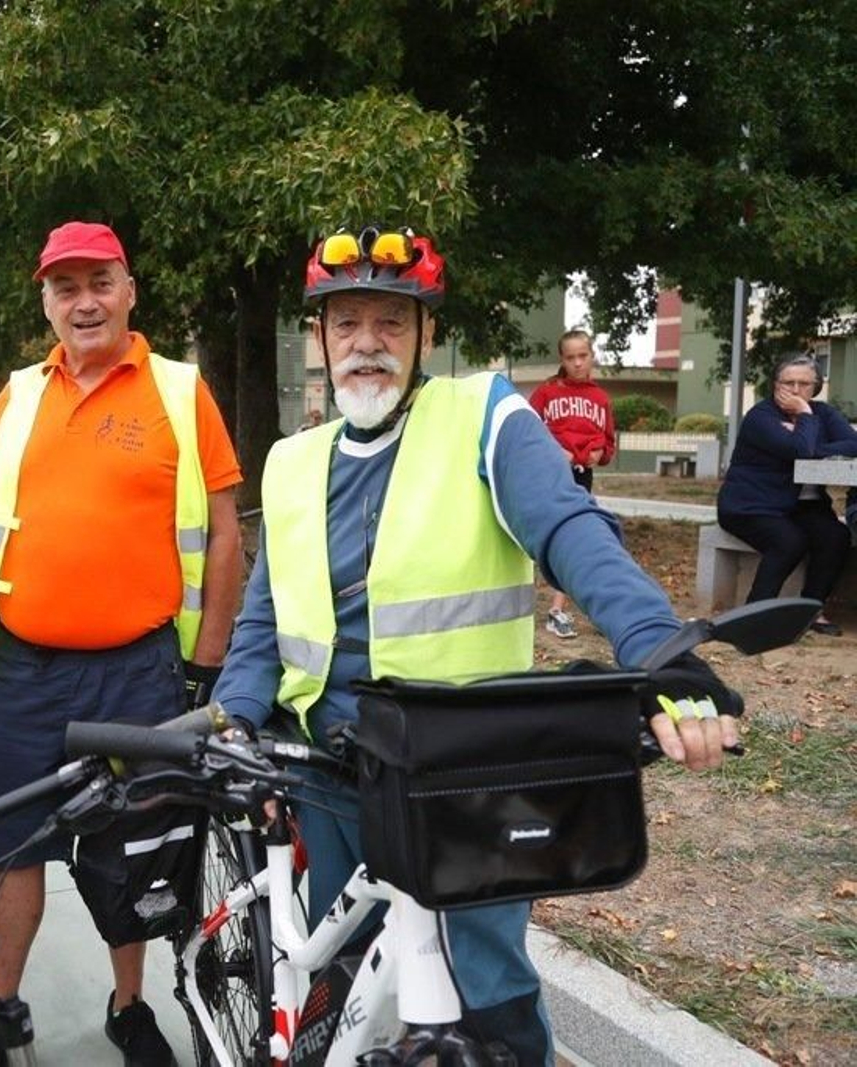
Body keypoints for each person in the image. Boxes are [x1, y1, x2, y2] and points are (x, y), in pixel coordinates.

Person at [213, 225, 746, 1066]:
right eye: (346, 322)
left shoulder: (484, 417)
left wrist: (658, 648)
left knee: (489, 1001)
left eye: (391, 321)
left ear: (426, 333)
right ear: (320, 338)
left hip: (461, 775)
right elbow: (262, 621)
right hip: (326, 772)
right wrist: (234, 719)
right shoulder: (291, 461)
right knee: (346, 994)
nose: (367, 343)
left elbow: (569, 527)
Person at [0, 220, 243, 1064]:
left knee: (134, 852)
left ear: (129, 292)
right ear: (47, 302)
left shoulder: (180, 390)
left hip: (139, 671)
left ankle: (129, 1005)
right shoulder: (19, 395)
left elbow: (225, 533)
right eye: (65, 287)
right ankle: (0, 1005)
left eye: (100, 283)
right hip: (22, 673)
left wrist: (207, 666)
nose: (84, 302)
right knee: (10, 845)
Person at [717, 352, 857, 636]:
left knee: (836, 536)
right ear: (775, 385)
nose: (795, 390)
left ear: (816, 387)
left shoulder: (823, 413)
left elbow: (852, 444)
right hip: (752, 505)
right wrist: (805, 418)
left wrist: (809, 439)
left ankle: (810, 610)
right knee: (789, 541)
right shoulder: (761, 417)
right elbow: (797, 450)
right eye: (788, 383)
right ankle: (754, 615)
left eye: (804, 384)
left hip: (799, 507)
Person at [528, 328, 617, 638]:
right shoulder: (547, 393)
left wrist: (600, 454)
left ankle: (558, 609)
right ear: (562, 360)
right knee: (539, 537)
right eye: (570, 357)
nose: (577, 363)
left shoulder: (600, 398)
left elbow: (609, 443)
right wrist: (554, 451)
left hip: (581, 475)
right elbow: (527, 432)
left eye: (583, 356)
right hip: (549, 474)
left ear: (592, 356)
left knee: (574, 538)